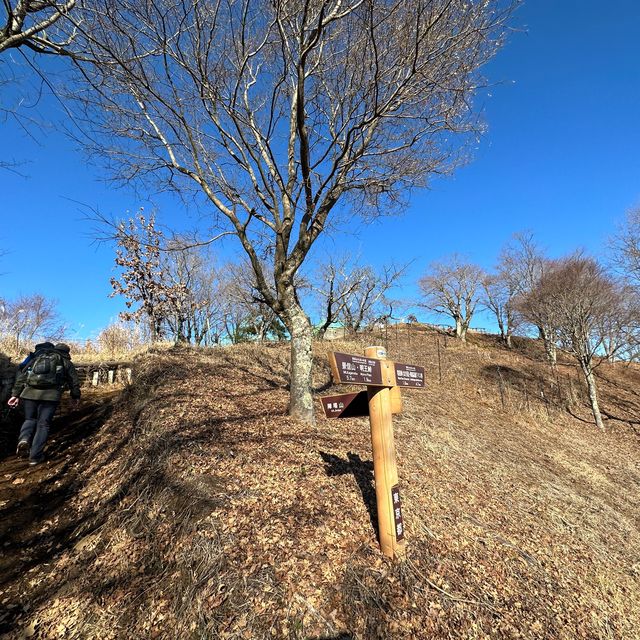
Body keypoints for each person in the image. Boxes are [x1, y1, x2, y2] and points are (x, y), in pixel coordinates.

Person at [7, 342, 81, 466]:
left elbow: (22, 377)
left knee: (30, 419)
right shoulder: (65, 362)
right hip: (51, 396)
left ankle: (24, 439)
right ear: (67, 353)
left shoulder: (37, 358)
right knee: (43, 424)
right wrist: (75, 396)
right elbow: (74, 381)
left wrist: (15, 395)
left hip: (29, 394)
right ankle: (35, 457)